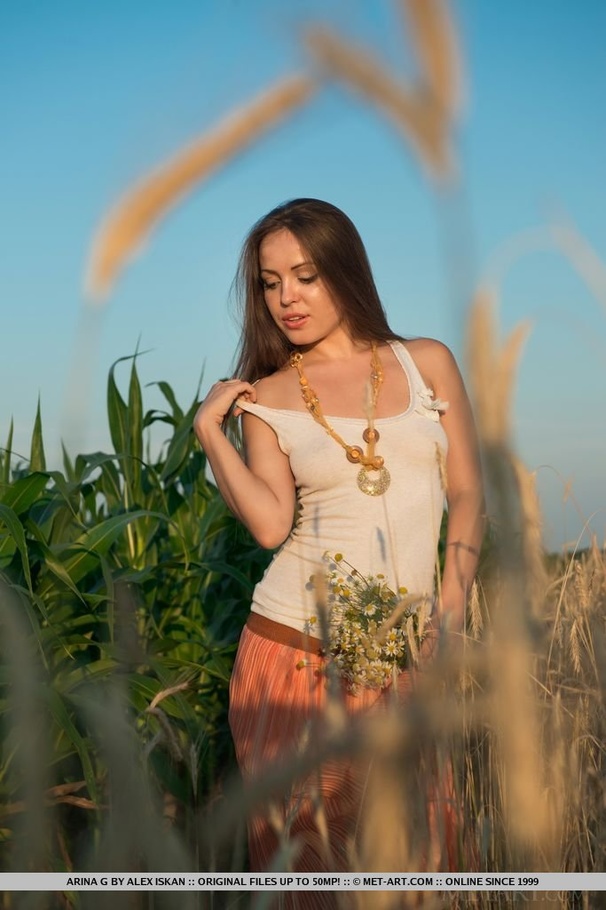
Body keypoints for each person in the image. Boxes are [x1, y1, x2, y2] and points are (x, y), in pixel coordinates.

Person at [194, 198, 484, 893]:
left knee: (426, 860)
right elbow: (269, 526)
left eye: (305, 275)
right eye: (269, 282)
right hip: (292, 654)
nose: (286, 298)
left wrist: (450, 610)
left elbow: (470, 494)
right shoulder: (265, 397)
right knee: (312, 875)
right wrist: (211, 434)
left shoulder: (427, 365)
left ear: (346, 271)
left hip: (406, 651)